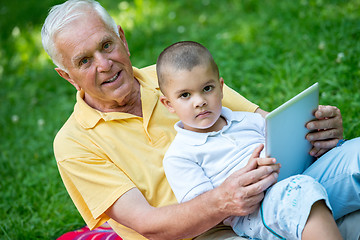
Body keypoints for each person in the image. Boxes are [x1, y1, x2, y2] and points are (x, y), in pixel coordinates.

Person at [40, 0, 359, 239]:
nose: (104, 64)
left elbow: (265, 124)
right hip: (203, 235)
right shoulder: (74, 143)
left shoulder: (180, 76)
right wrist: (223, 201)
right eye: (85, 60)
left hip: (275, 186)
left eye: (106, 45)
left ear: (122, 39)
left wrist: (312, 132)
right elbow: (148, 226)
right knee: (330, 216)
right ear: (67, 76)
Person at [156, 41, 344, 239]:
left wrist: (309, 136)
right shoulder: (179, 156)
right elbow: (205, 209)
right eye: (185, 95)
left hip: (294, 173)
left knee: (352, 154)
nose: (200, 101)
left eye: (207, 88)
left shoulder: (249, 120)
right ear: (169, 104)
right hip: (254, 211)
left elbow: (284, 143)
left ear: (221, 88)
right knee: (301, 192)